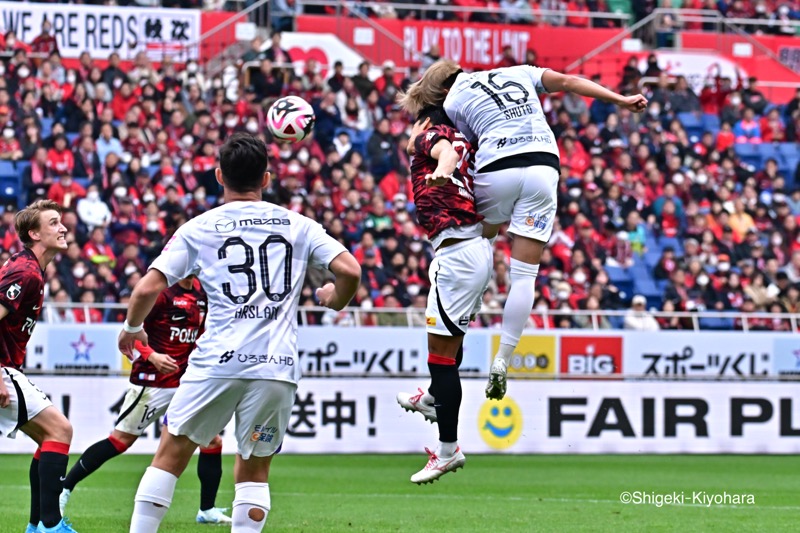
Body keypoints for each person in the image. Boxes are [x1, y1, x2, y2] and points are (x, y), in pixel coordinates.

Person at [119, 133, 361, 533]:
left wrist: (131, 330)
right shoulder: (298, 224)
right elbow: (350, 270)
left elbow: (147, 287)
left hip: (218, 360)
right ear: (266, 178)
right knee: (253, 471)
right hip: (276, 366)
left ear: (219, 175)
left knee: (171, 455)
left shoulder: (199, 227)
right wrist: (336, 299)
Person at [399, 61, 647, 400]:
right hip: (545, 166)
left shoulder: (451, 101)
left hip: (497, 167)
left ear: (440, 88)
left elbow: (449, 147)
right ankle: (503, 359)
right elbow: (570, 81)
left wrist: (415, 145)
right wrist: (620, 99)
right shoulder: (520, 71)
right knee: (525, 274)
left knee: (468, 244)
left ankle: (445, 360)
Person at [59, 277, 232, 525]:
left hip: (185, 381)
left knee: (211, 441)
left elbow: (199, 333)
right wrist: (152, 356)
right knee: (120, 440)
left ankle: (207, 510)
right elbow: (133, 330)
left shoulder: (201, 294)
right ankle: (64, 488)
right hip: (152, 381)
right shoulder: (161, 293)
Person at [394, 106, 492, 484]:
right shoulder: (464, 140)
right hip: (469, 250)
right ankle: (434, 397)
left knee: (440, 355)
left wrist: (440, 172)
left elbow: (445, 153)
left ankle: (448, 450)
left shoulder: (428, 137)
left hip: (457, 256)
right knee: (448, 349)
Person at [0, 200, 77, 533]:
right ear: (34, 233)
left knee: (50, 436)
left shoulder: (31, 269)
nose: (63, 228)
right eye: (54, 223)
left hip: (9, 366)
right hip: (3, 367)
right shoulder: (25, 272)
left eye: (62, 222)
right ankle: (49, 524)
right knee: (59, 430)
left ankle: (38, 526)